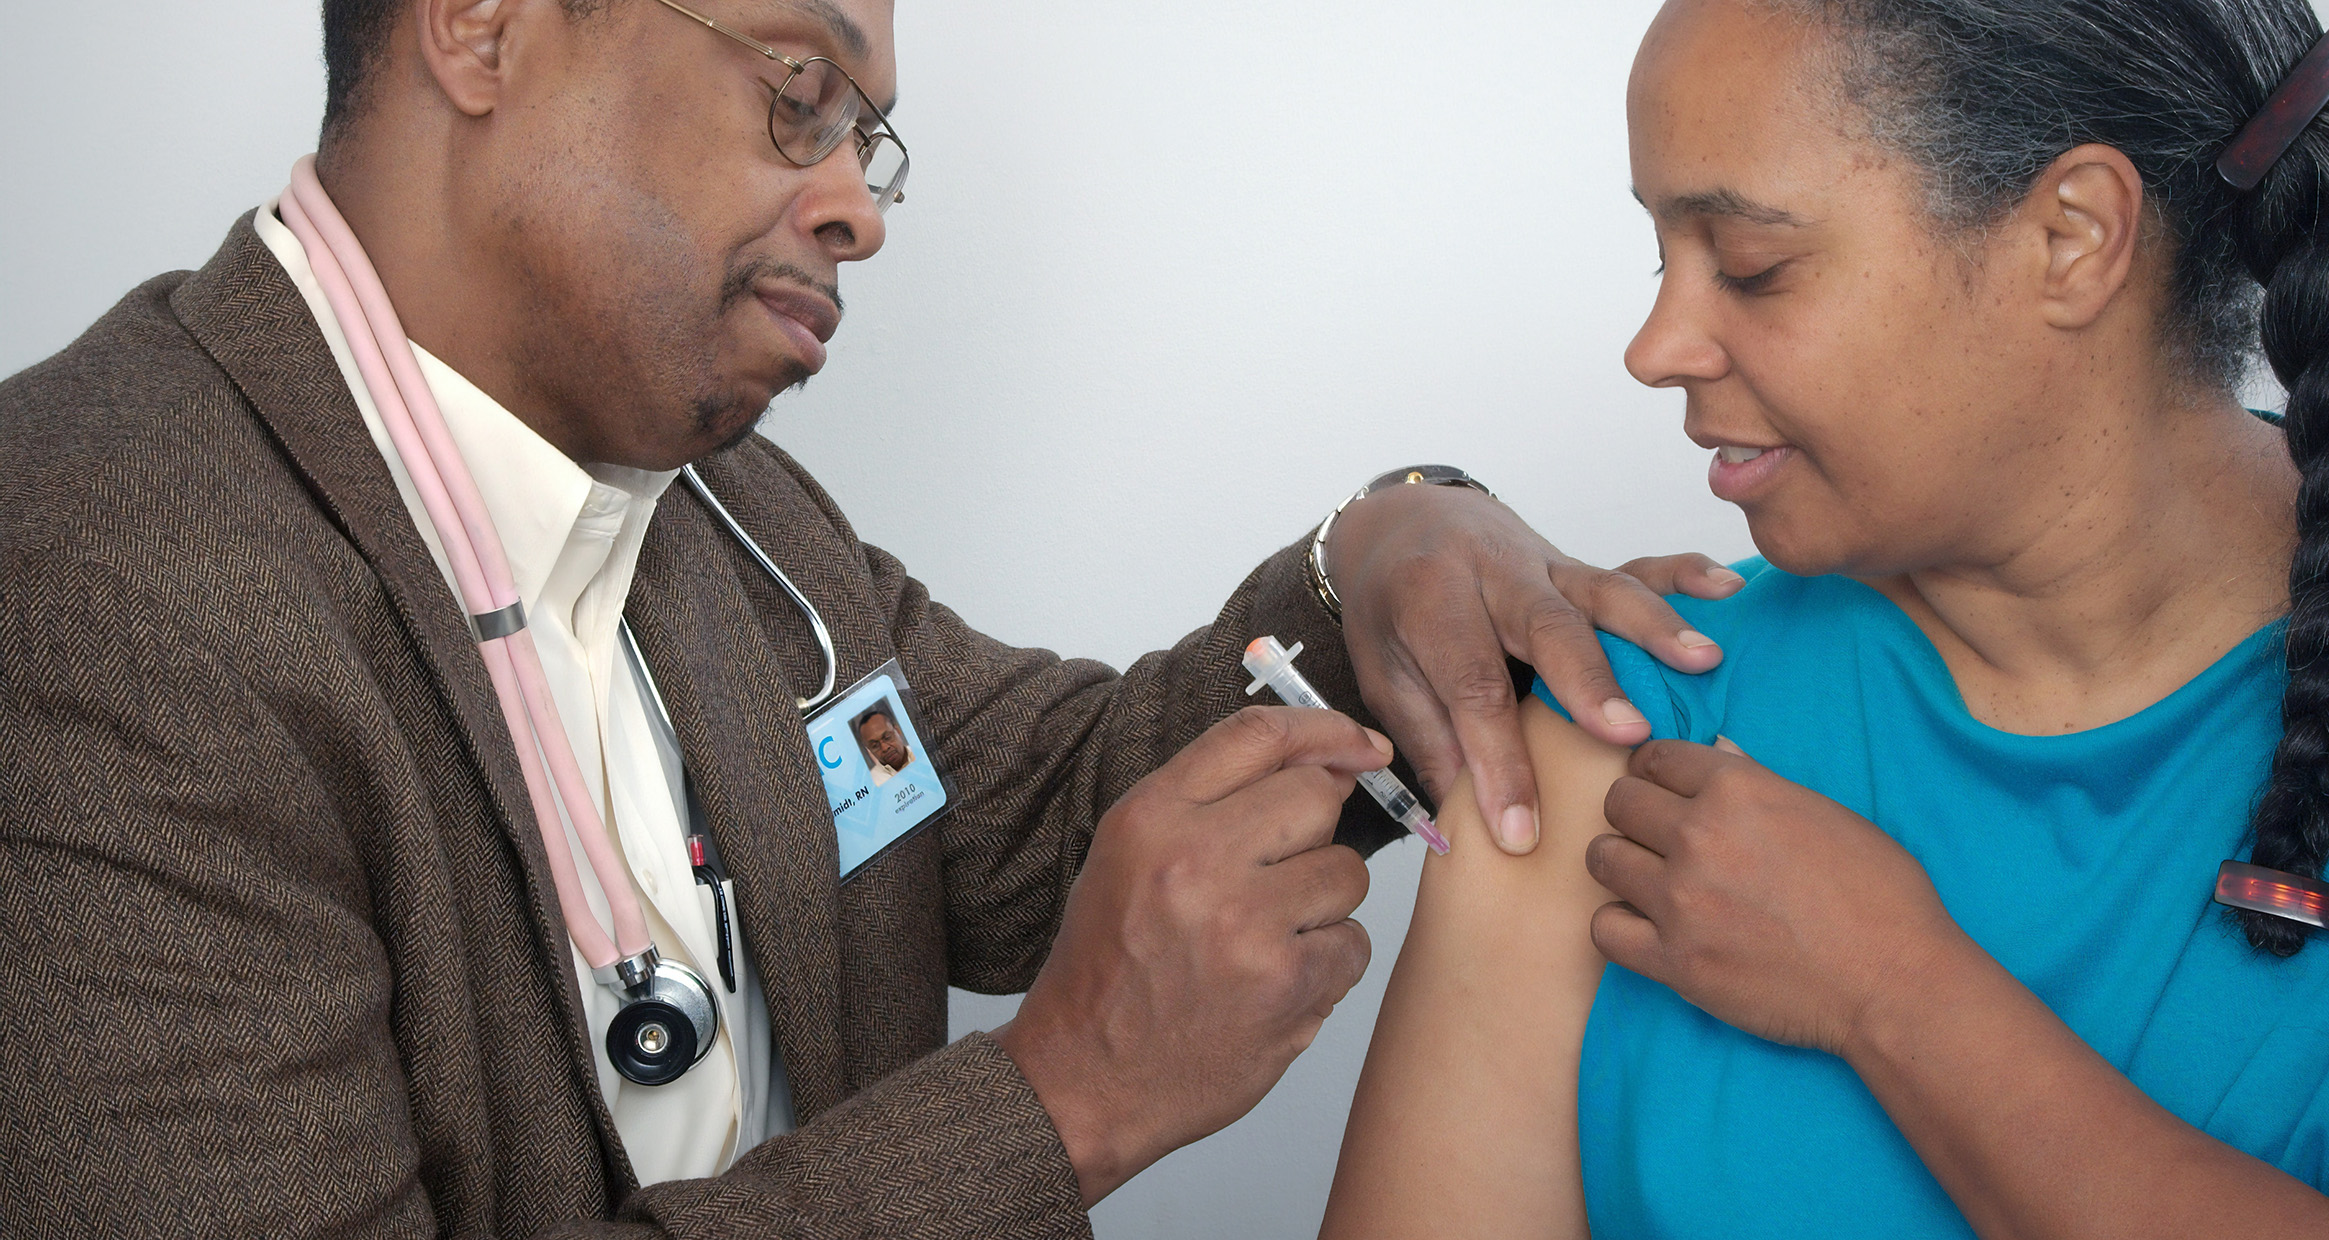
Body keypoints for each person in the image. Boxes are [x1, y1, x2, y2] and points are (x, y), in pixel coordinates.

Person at [0, 0, 1747, 1235]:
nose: (856, 207)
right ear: (481, 24)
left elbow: (1052, 808)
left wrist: (1378, 560)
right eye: (796, 88)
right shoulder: (93, 572)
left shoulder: (728, 524)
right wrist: (1059, 1108)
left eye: (866, 140)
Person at [1323, 1, 2329, 1237]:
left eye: (1750, 263)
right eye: (1663, 257)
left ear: (2071, 237)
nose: (1653, 348)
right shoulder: (1622, 716)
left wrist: (1895, 990)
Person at [856, 705, 912, 782]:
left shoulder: (922, 752)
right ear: (869, 751)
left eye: (887, 737)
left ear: (898, 731)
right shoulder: (872, 781)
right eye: (875, 746)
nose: (885, 748)